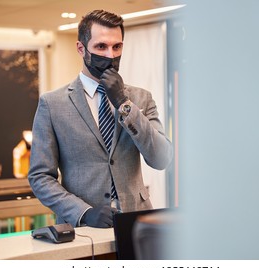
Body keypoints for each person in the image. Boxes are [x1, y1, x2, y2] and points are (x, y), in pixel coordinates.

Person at [28, 10, 173, 228]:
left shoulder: (141, 98)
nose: (110, 55)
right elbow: (40, 177)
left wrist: (124, 104)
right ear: (81, 48)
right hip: (84, 229)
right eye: (101, 47)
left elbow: (161, 159)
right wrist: (83, 212)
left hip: (138, 223)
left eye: (117, 47)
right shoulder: (52, 104)